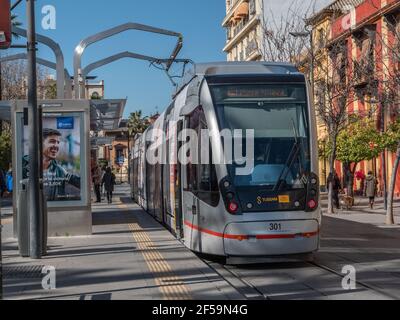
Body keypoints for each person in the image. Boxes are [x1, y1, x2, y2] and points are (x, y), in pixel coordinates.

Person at [23, 128, 81, 201]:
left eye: (58, 142)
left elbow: (83, 185)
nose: (56, 146)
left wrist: (67, 175)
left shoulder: (59, 170)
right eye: (52, 141)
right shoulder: (23, 164)